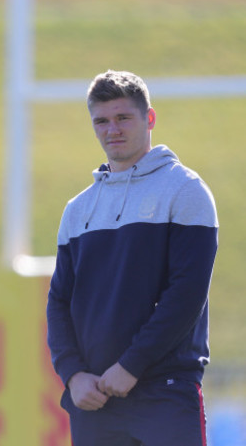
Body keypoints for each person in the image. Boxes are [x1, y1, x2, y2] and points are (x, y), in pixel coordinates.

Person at [46, 70, 218, 446]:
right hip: (95, 400)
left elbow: (186, 295)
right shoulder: (78, 209)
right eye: (102, 121)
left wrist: (130, 366)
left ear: (149, 118)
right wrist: (73, 375)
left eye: (123, 117)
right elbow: (58, 301)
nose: (113, 130)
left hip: (166, 391)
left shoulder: (185, 190)